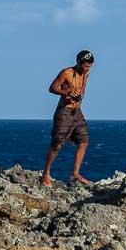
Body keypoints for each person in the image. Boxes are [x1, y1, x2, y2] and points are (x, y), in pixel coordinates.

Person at [43, 50, 95, 186]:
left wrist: (79, 96)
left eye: (89, 66)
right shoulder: (66, 73)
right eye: (85, 66)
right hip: (64, 112)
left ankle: (75, 173)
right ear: (78, 62)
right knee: (57, 144)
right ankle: (46, 173)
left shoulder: (86, 73)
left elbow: (82, 90)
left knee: (84, 141)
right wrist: (66, 92)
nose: (87, 68)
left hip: (77, 111)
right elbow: (52, 88)